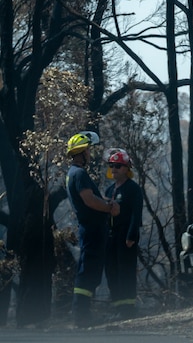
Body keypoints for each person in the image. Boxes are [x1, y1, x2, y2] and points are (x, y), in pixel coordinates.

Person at [65, 131, 119, 327]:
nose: (90, 153)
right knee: (87, 271)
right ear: (81, 152)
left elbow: (93, 197)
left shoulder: (74, 174)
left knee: (91, 271)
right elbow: (89, 200)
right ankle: (81, 317)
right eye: (88, 150)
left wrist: (106, 202)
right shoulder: (79, 173)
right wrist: (109, 208)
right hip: (92, 230)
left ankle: (84, 314)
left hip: (91, 230)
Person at [103, 149, 143, 319]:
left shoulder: (133, 189)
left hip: (125, 236)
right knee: (112, 270)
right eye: (112, 165)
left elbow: (136, 214)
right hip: (111, 237)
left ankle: (128, 308)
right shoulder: (109, 189)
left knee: (125, 270)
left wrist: (131, 235)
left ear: (126, 168)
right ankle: (118, 306)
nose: (114, 169)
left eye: (118, 166)